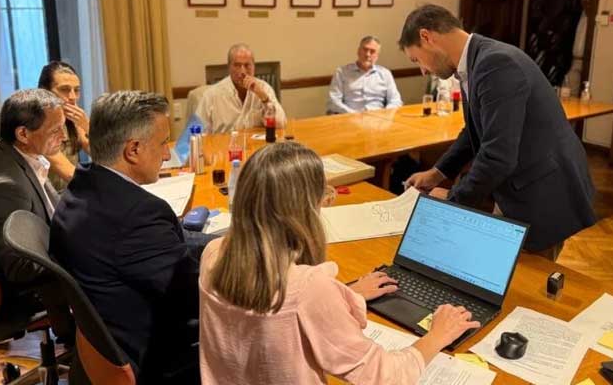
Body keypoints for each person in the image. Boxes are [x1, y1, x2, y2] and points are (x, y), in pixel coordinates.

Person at [198, 142, 480, 384]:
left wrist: (346, 294)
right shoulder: (308, 289)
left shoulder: (213, 253)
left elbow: (277, 320)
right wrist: (437, 336)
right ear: (304, 210)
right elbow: (384, 376)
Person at [400, 4, 596, 261]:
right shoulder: (476, 60)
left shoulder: (495, 64)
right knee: (495, 267)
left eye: (416, 60)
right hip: (516, 186)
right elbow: (474, 131)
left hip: (541, 193)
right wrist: (438, 172)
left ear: (426, 37)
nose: (423, 71)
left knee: (524, 277)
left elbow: (497, 155)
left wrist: (452, 199)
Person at [50, 91, 214, 384]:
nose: (167, 154)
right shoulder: (139, 214)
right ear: (133, 149)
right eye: (163, 143)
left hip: (103, 347)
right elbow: (196, 294)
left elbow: (171, 241)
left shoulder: (79, 189)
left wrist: (220, 242)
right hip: (156, 358)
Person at [0, 88, 73, 340]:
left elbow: (50, 208)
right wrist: (82, 251)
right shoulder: (2, 187)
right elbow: (19, 267)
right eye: (56, 130)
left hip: (51, 251)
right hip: (40, 290)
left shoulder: (21, 155)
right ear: (23, 134)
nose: (64, 137)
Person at [195, 43, 286, 133]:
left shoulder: (264, 88)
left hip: (255, 142)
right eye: (237, 65)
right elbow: (195, 133)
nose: (243, 71)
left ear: (254, 67)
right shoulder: (211, 95)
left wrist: (264, 98)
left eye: (247, 65)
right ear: (229, 67)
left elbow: (281, 123)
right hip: (224, 142)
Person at [37, 61, 90, 190]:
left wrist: (87, 126)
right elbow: (69, 173)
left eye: (76, 90)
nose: (73, 97)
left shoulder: (72, 118)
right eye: (64, 90)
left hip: (70, 191)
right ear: (45, 92)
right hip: (50, 197)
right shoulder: (38, 125)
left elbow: (105, 157)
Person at [327, 36, 403, 114]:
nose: (367, 54)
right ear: (358, 51)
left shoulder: (385, 74)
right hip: (350, 117)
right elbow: (333, 101)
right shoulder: (341, 72)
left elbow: (395, 100)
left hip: (379, 118)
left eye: (372, 51)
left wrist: (385, 113)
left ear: (377, 55)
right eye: (365, 49)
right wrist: (352, 114)